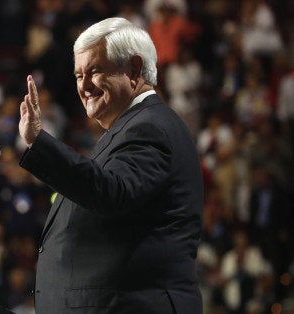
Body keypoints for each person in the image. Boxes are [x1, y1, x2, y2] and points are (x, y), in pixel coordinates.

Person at [18, 17, 203, 313]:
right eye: (79, 75)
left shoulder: (150, 127)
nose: (84, 86)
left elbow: (111, 192)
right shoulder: (130, 129)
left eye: (94, 71)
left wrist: (41, 144)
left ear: (133, 70)